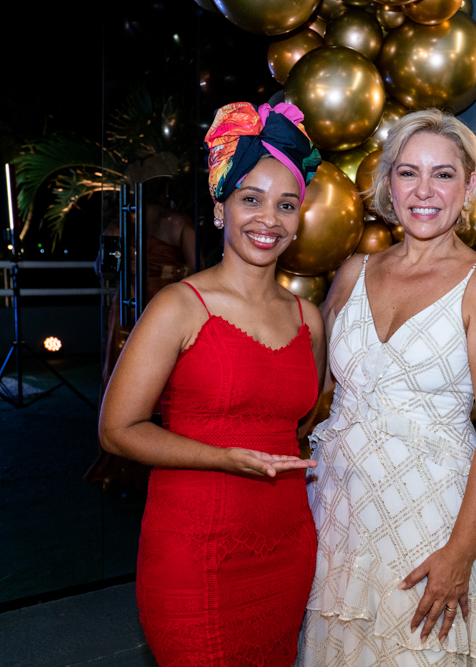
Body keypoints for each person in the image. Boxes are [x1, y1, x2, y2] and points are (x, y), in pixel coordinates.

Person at [98, 101, 326, 666]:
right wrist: (225, 457)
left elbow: (299, 422)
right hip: (194, 549)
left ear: (299, 221)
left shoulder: (308, 319)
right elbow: (117, 430)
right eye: (251, 199)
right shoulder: (179, 306)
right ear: (221, 208)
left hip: (287, 546)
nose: (268, 219)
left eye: (286, 205)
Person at [298, 109, 476, 666]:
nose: (424, 190)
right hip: (341, 512)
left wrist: (461, 553)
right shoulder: (353, 271)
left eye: (443, 174)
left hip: (434, 518)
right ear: (387, 184)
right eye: (408, 173)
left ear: (468, 185)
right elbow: (308, 392)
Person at [86, 174, 197, 489]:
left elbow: (102, 268)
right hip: (166, 307)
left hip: (128, 306)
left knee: (122, 382)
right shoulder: (178, 221)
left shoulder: (121, 221)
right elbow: (199, 271)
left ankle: (121, 465)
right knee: (170, 384)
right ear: (165, 187)